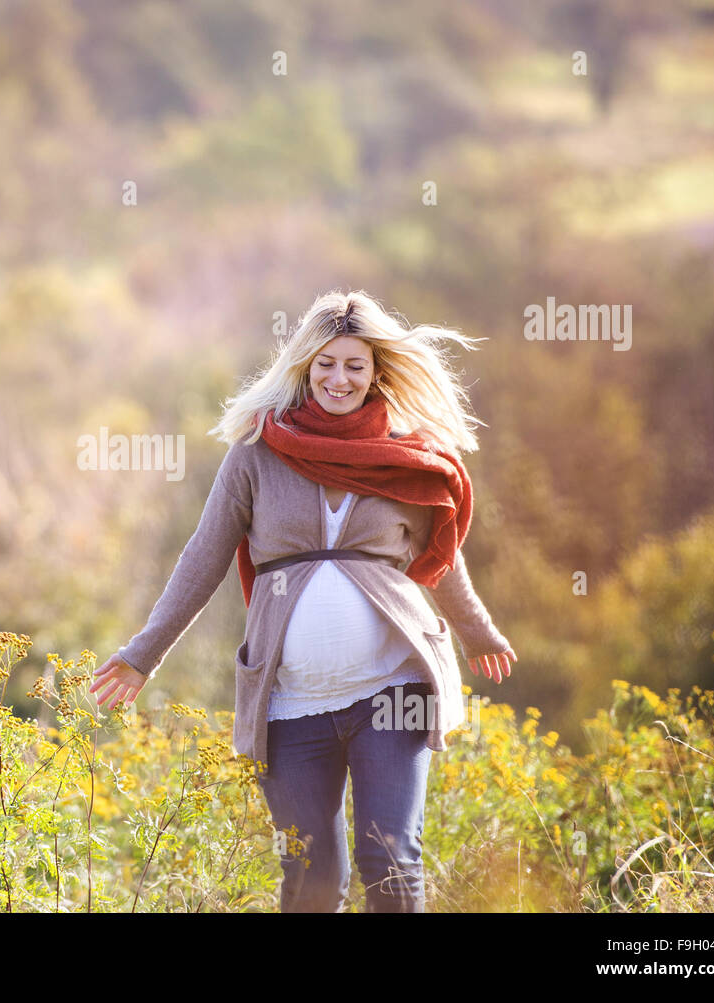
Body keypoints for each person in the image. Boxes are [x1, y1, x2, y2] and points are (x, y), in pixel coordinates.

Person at [90, 288, 517, 913]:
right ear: (303, 366)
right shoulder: (257, 454)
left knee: (390, 858)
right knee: (313, 878)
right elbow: (203, 558)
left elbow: (442, 556)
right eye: (326, 363)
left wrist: (478, 631)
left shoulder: (407, 454)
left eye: (354, 365)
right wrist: (142, 654)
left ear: (376, 373)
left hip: (391, 690)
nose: (338, 378)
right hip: (290, 704)